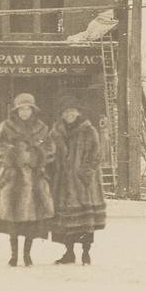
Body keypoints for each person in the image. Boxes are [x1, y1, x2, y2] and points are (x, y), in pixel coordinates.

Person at [0, 93, 55, 267]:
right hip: (13, 176)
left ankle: (27, 255)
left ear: (33, 110)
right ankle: (13, 255)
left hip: (34, 177)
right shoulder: (7, 126)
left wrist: (37, 155)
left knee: (31, 220)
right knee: (12, 218)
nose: (25, 112)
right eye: (21, 109)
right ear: (16, 111)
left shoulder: (42, 128)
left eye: (28, 109)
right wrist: (14, 153)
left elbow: (50, 148)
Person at [48, 95, 106, 265]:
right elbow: (50, 154)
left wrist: (85, 174)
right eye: (66, 112)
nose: (69, 114)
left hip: (83, 185)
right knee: (66, 222)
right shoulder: (56, 132)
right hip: (63, 184)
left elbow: (96, 155)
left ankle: (85, 253)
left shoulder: (89, 131)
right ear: (62, 114)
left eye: (72, 111)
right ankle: (69, 253)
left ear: (78, 112)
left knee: (84, 221)